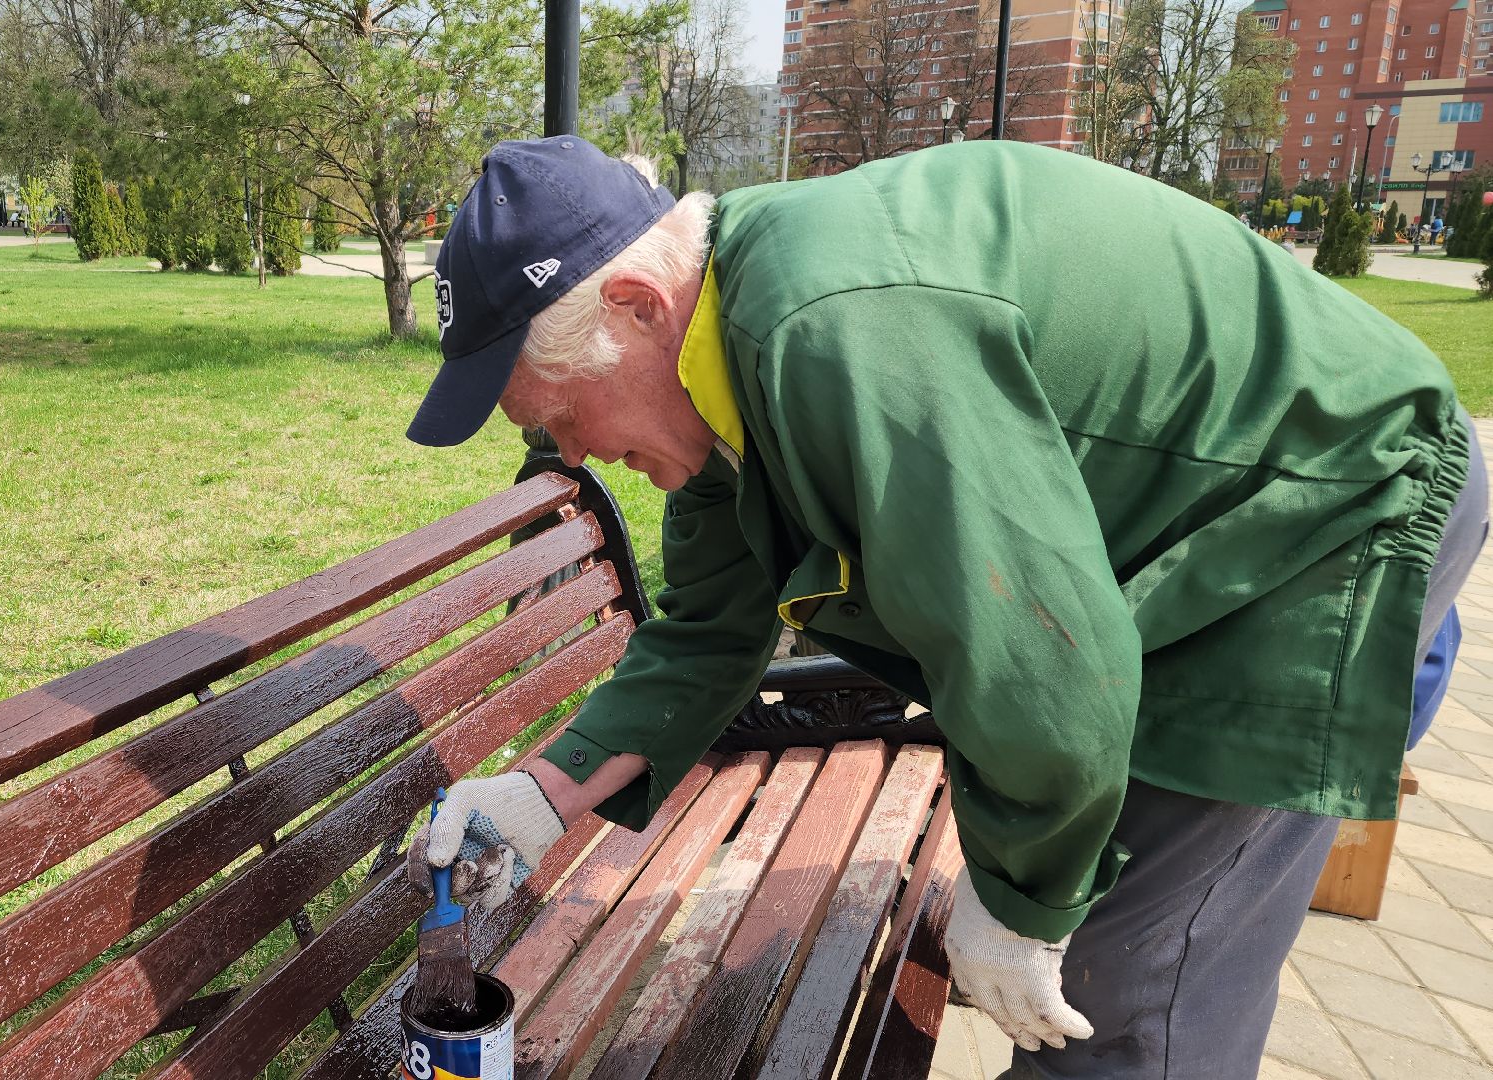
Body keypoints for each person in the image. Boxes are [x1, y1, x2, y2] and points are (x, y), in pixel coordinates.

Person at [401, 137, 1486, 1078]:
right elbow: (707, 633)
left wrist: (1020, 900)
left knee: (1129, 1002)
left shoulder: (837, 331)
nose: (575, 455)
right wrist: (545, 791)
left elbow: (1031, 649)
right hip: (1214, 526)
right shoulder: (714, 365)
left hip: (1324, 511)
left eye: (560, 417)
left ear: (637, 307)